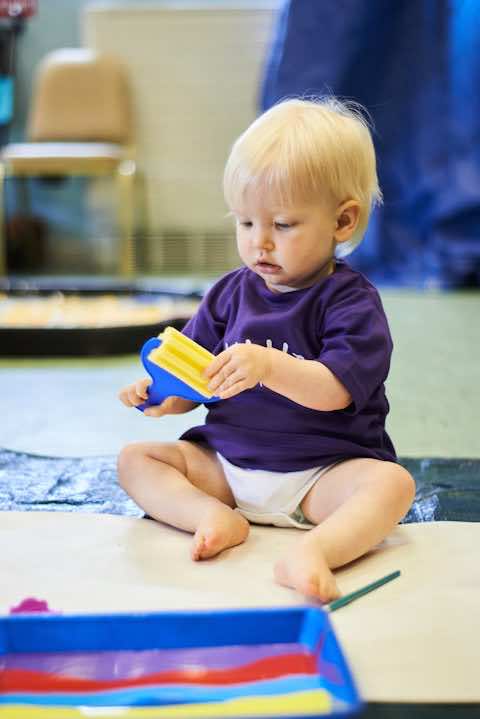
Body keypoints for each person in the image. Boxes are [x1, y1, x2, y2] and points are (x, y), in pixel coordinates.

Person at [118, 97, 415, 603]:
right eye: (245, 223)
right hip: (228, 468)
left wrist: (268, 365)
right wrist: (161, 396)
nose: (260, 244)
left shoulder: (351, 301)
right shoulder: (229, 293)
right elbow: (194, 383)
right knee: (135, 459)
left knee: (392, 486)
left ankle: (316, 550)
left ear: (343, 222)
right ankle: (208, 517)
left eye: (282, 225)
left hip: (322, 474)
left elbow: (337, 392)